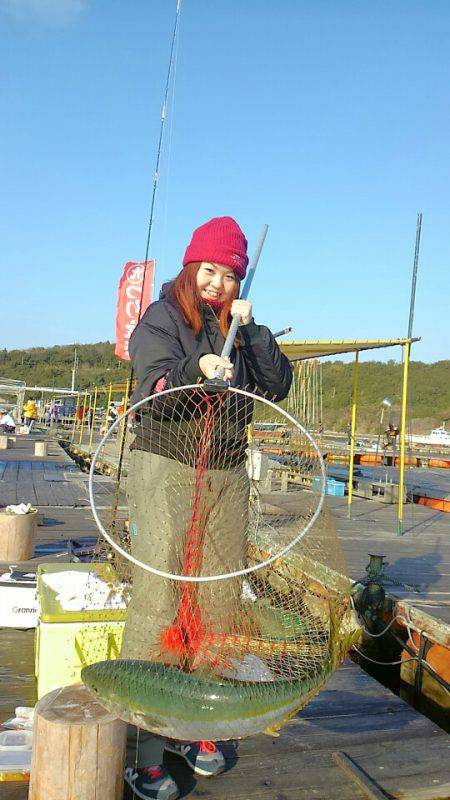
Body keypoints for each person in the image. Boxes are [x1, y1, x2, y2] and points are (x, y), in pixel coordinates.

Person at [122, 216, 292, 800]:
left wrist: (254, 333)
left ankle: (205, 730)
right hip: (167, 466)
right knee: (160, 597)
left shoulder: (237, 326)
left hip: (225, 471)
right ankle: (145, 747)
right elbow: (149, 384)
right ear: (192, 268)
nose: (219, 284)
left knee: (219, 600)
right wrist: (194, 370)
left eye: (230, 276)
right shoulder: (163, 317)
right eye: (211, 271)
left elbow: (277, 384)